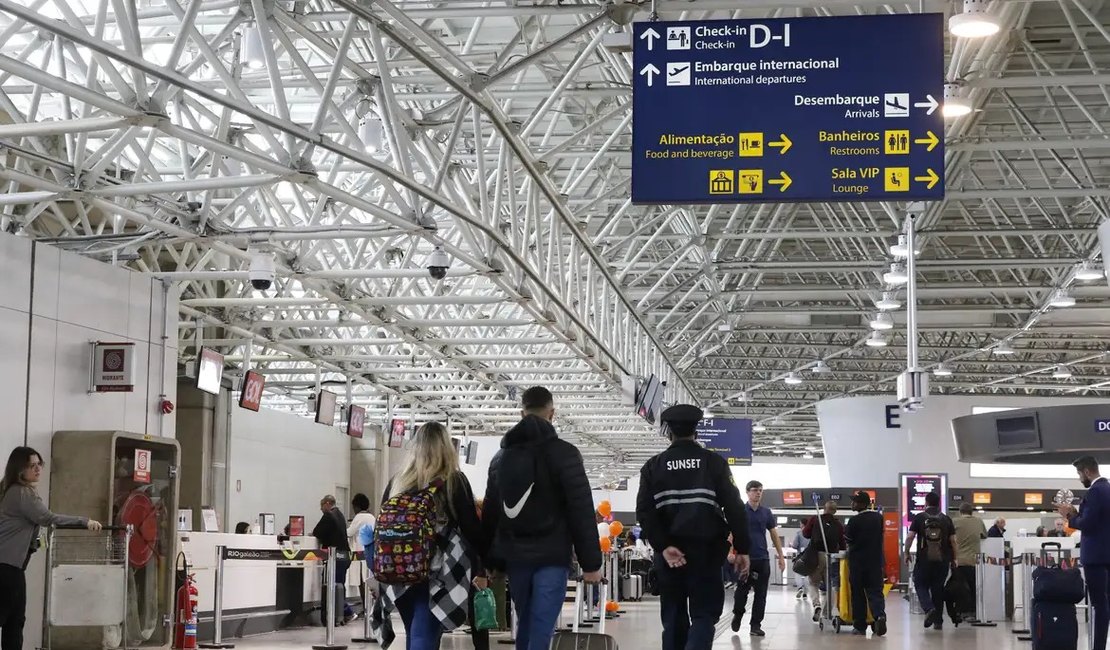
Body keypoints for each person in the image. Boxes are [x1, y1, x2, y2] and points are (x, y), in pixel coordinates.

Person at [482, 386, 601, 650]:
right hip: (552, 556)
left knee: (527, 620)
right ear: (552, 413)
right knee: (541, 625)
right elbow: (580, 509)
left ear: (522, 413)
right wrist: (591, 563)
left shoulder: (501, 458)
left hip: (515, 557)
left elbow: (491, 512)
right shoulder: (566, 454)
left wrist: (488, 561)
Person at [636, 404, 750, 650]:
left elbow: (645, 513)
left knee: (674, 618)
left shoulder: (653, 466)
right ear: (696, 431)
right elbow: (734, 507)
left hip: (669, 558)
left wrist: (664, 547)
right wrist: (742, 548)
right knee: (704, 615)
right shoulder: (714, 463)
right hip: (706, 554)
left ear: (669, 433)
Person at [382, 422, 487, 650]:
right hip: (437, 573)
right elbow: (471, 530)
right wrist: (486, 562)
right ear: (446, 448)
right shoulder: (453, 481)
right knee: (423, 637)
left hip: (397, 572)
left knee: (413, 633)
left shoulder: (397, 482)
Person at [0, 447, 102, 650]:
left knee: (14, 621)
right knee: (12, 621)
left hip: (11, 566)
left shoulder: (11, 490)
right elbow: (48, 518)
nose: (38, 469)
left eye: (40, 464)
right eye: (32, 465)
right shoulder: (22, 493)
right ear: (20, 469)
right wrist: (84, 521)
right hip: (8, 568)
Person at [1058, 456, 1110, 650]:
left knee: (1099, 604)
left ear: (1087, 472)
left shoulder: (1095, 492)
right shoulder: (1108, 489)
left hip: (1095, 556)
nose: (1080, 478)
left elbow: (1088, 524)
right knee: (1107, 603)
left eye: (1080, 474)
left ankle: (1098, 647)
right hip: (1107, 554)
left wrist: (1070, 517)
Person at [730, 480, 785, 637]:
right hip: (744, 557)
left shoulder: (766, 512)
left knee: (761, 594)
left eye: (760, 490)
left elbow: (774, 534)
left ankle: (755, 625)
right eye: (755, 490)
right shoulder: (740, 510)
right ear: (747, 492)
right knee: (741, 591)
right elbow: (732, 532)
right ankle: (738, 614)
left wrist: (780, 556)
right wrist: (730, 552)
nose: (758, 493)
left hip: (762, 559)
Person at [904, 492, 957, 631]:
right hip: (942, 559)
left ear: (926, 503)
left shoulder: (919, 517)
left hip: (924, 559)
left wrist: (906, 553)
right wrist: (954, 558)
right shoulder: (946, 519)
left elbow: (910, 537)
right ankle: (938, 622)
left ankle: (929, 609)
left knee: (920, 583)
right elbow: (953, 541)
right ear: (939, 503)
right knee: (937, 588)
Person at [844, 491, 887, 636]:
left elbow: (848, 540)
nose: (852, 504)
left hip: (858, 563)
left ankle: (860, 626)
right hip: (875, 562)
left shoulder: (854, 521)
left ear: (861, 503)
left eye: (854, 501)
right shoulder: (878, 518)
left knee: (858, 594)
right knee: (875, 591)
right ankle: (879, 616)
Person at [313, 494, 354, 626]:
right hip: (345, 555)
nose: (321, 509)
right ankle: (341, 616)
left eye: (321, 506)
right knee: (339, 585)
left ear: (328, 503)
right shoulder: (340, 515)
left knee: (333, 586)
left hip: (335, 556)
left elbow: (317, 532)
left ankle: (345, 613)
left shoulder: (329, 515)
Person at [802, 501, 845, 622]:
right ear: (835, 511)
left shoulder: (816, 520)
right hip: (832, 557)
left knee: (812, 583)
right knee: (830, 585)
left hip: (816, 556)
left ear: (824, 509)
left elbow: (806, 534)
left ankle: (817, 605)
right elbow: (842, 544)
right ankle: (826, 612)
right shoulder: (838, 525)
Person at [952, 502, 987, 620]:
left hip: (959, 561)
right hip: (974, 561)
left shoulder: (955, 522)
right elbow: (984, 536)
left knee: (960, 587)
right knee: (973, 587)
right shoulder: (978, 521)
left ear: (960, 512)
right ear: (972, 511)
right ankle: (973, 611)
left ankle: (961, 612)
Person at [347, 493, 376, 616]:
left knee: (362, 581)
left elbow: (348, 533)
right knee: (368, 580)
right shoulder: (372, 517)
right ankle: (370, 608)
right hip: (370, 552)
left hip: (359, 553)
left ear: (357, 506)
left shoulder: (359, 517)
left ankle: (366, 608)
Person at [790, 530, 809, 599]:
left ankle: (800, 588)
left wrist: (792, 544)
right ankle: (805, 594)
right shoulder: (813, 533)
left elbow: (794, 545)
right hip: (810, 557)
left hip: (800, 557)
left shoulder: (799, 533)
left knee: (797, 572)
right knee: (807, 575)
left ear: (802, 524)